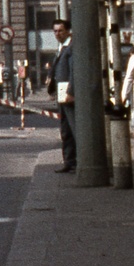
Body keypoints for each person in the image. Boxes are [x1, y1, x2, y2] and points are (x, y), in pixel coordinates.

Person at [48, 19, 76, 174]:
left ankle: (76, 160)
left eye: (60, 31)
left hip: (68, 94)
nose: (57, 34)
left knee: (73, 127)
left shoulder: (71, 47)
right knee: (65, 129)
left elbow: (73, 71)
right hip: (61, 94)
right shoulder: (61, 48)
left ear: (68, 31)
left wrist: (71, 92)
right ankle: (69, 161)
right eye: (55, 31)